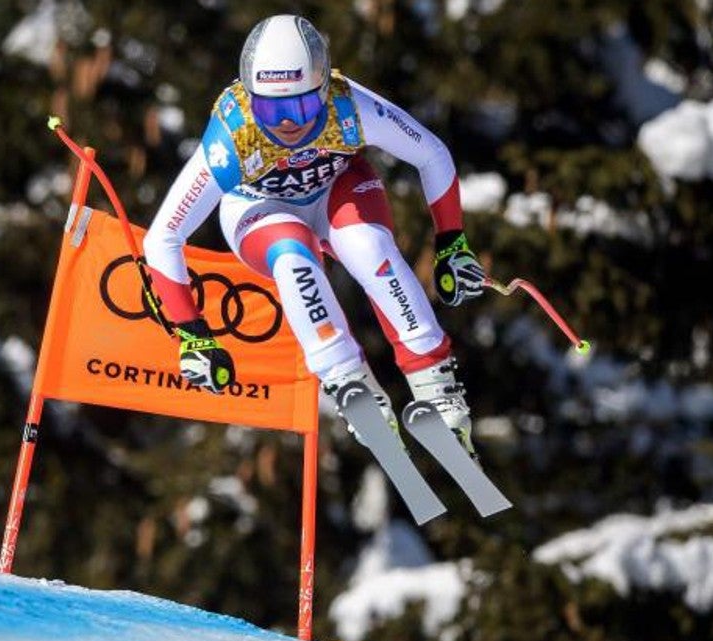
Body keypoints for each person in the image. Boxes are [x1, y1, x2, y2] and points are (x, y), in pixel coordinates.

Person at [143, 14, 487, 453]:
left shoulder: (349, 106)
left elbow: (432, 155)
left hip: (336, 190)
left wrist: (451, 242)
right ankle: (349, 385)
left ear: (324, 89)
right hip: (258, 209)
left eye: (302, 107)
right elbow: (163, 238)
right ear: (251, 99)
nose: (287, 124)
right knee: (293, 256)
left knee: (369, 248)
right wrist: (192, 335)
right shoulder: (234, 136)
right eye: (271, 109)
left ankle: (436, 385)